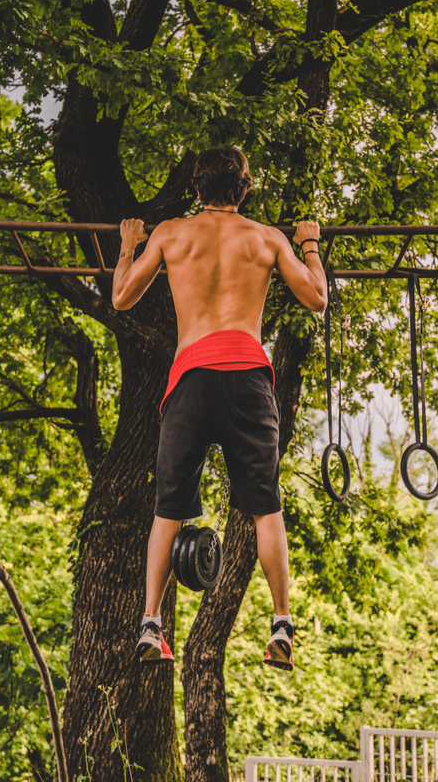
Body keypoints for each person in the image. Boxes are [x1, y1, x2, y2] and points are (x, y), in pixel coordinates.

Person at [111, 145, 327, 671]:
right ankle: (281, 624)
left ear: (196, 188)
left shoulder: (170, 234)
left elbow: (120, 297)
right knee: (264, 507)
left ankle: (150, 625)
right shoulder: (267, 239)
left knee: (168, 507)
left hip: (191, 379)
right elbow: (317, 297)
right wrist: (311, 244)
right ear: (245, 190)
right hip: (248, 379)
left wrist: (127, 245)